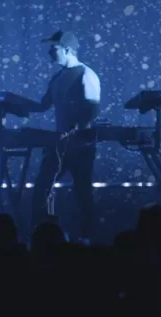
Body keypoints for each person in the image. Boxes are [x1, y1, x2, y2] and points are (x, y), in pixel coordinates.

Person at [29, 31, 101, 243]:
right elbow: (43, 105)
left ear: (68, 50)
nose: (50, 52)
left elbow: (93, 109)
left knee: (82, 191)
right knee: (42, 188)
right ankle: (40, 236)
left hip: (81, 144)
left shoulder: (86, 74)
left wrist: (76, 128)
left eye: (54, 48)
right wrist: (13, 104)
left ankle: (86, 238)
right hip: (60, 143)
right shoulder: (58, 78)